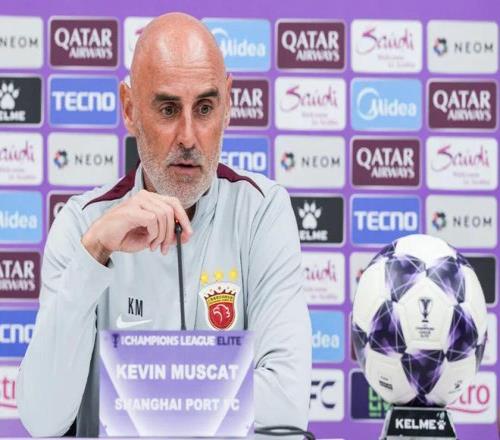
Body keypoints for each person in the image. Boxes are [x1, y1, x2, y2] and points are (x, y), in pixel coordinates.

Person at [17, 12, 311, 437]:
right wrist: (93, 255)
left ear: (228, 105)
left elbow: (287, 402)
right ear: (130, 109)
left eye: (205, 108)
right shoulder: (83, 225)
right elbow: (43, 419)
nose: (189, 137)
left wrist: (138, 389)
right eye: (168, 109)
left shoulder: (262, 212)